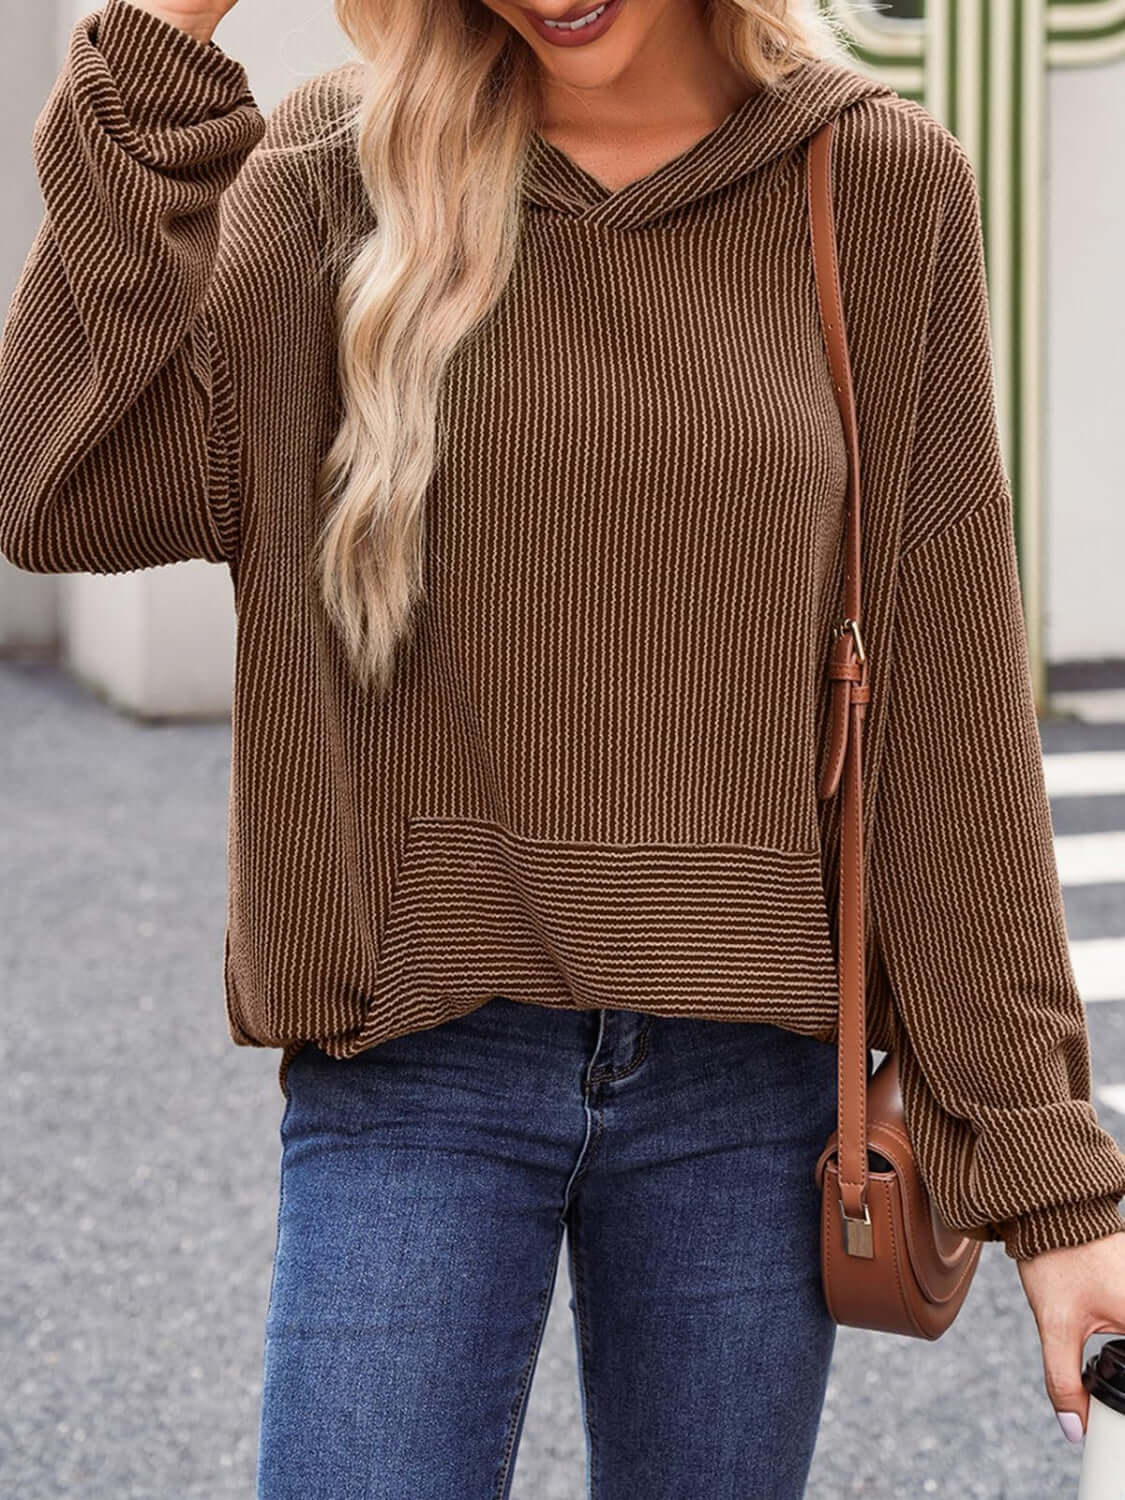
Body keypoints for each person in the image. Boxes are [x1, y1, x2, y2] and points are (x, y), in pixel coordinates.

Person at [2, 0, 1124, 1494]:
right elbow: (60, 490)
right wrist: (157, 39)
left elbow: (942, 704)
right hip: (416, 1069)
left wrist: (1054, 1191)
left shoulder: (870, 179)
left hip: (751, 1088)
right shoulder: (336, 171)